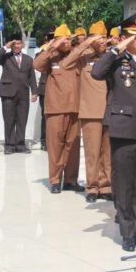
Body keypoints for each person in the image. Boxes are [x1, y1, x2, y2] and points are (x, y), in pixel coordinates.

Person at [91, 13, 136, 252]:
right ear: (123, 38)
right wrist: (116, 48)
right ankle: (128, 233)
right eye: (134, 35)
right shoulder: (115, 60)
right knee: (124, 184)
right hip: (124, 129)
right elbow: (96, 72)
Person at [60, 21, 112, 203]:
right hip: (90, 111)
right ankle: (92, 186)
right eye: (97, 38)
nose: (102, 42)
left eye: (104, 37)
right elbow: (66, 63)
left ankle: (106, 186)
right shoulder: (83, 58)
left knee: (108, 152)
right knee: (92, 152)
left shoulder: (112, 56)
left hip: (111, 110)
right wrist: (85, 45)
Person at [33, 24, 82, 194]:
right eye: (64, 39)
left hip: (74, 108)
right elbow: (37, 65)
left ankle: (70, 180)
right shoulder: (50, 57)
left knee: (73, 147)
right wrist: (51, 47)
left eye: (69, 39)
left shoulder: (76, 56)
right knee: (55, 146)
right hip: (55, 109)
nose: (67, 42)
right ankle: (55, 180)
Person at [0, 33, 37, 154]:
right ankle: (9, 145)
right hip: (7, 93)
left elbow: (31, 76)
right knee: (9, 120)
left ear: (22, 44)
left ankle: (20, 144)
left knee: (22, 120)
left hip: (23, 93)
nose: (17, 46)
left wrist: (34, 92)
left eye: (19, 43)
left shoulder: (28, 59)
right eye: (14, 43)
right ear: (11, 44)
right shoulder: (6, 57)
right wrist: (5, 47)